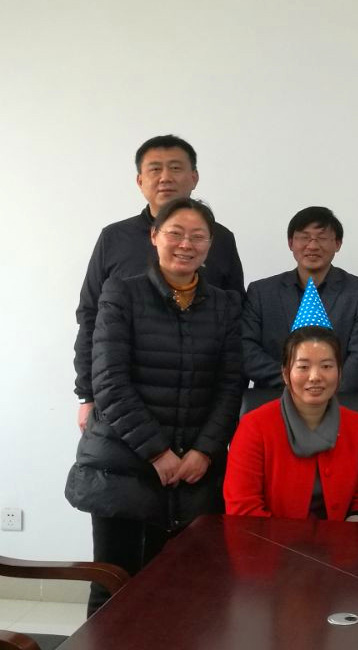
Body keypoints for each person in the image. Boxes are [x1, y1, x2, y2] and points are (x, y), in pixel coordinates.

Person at [64, 197, 244, 615]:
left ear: (210, 244)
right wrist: (158, 453)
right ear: (154, 236)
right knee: (114, 589)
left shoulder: (224, 304)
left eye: (198, 236)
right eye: (175, 233)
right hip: (123, 467)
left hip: (195, 472)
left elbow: (231, 384)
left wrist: (204, 451)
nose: (186, 244)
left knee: (183, 594)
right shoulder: (121, 293)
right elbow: (109, 382)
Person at [74, 135, 244, 433]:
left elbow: (236, 319)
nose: (165, 177)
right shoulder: (114, 238)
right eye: (155, 169)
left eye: (175, 168)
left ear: (194, 177)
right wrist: (86, 394)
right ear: (140, 181)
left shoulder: (221, 239)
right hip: (122, 399)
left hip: (198, 402)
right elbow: (90, 315)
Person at [224, 325, 358, 521]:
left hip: (340, 537)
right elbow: (242, 507)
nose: (315, 377)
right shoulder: (254, 427)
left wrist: (353, 525)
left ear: (340, 373)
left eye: (326, 366)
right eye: (303, 367)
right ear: (285, 373)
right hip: (269, 538)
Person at [241, 206, 358, 391]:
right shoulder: (261, 292)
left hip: (339, 399)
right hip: (274, 397)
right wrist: (295, 383)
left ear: (337, 243)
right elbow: (247, 349)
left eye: (322, 238)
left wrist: (325, 391)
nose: (312, 246)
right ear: (290, 243)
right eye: (304, 237)